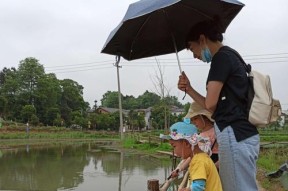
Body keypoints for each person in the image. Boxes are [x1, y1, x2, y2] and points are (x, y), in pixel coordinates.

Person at [177, 19, 260, 191]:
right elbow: (210, 105)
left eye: (192, 49)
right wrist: (190, 89)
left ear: (202, 39)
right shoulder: (232, 56)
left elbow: (211, 103)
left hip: (233, 133)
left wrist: (190, 89)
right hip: (243, 133)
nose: (194, 55)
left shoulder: (221, 59)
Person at [160, 122, 222, 191]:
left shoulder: (198, 161)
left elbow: (198, 187)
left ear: (186, 143)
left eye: (174, 146)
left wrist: (185, 190)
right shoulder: (201, 156)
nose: (174, 151)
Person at [185, 102, 219, 167]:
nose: (194, 122)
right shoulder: (199, 135)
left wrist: (213, 168)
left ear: (204, 117)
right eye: (192, 120)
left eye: (195, 118)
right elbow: (193, 155)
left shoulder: (217, 133)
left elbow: (225, 156)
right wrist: (179, 168)